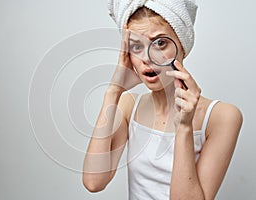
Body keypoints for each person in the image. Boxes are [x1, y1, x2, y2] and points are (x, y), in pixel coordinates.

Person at [82, 0, 243, 199]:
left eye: (160, 43)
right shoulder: (128, 106)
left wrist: (184, 126)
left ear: (182, 46)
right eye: (136, 46)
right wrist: (113, 92)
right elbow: (93, 182)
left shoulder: (223, 117)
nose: (147, 58)